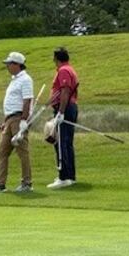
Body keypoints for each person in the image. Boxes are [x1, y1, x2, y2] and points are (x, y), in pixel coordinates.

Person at [0, 52, 34, 193]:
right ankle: (0, 183)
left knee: (22, 151)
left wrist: (23, 120)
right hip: (9, 119)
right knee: (2, 151)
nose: (7, 67)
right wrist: (5, 121)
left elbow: (27, 101)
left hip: (18, 119)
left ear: (17, 65)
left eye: (9, 64)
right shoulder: (14, 79)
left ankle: (26, 183)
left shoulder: (25, 79)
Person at [47, 47, 80, 189]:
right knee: (66, 142)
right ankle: (69, 176)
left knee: (61, 143)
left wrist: (61, 112)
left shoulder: (64, 71)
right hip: (69, 107)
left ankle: (64, 177)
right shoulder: (69, 68)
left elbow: (65, 91)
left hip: (65, 108)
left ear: (57, 59)